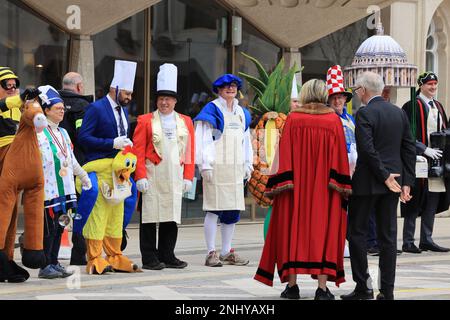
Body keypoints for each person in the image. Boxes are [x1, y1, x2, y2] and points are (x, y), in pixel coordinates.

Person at [254, 79, 351, 300]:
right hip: (324, 191)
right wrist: (343, 187)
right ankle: (322, 290)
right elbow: (340, 159)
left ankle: (292, 287)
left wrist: (281, 184)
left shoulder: (294, 119)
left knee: (292, 231)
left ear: (306, 94)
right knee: (324, 232)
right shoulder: (332, 120)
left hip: (295, 188)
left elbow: (284, 153)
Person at [341, 72, 415, 301]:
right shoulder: (398, 112)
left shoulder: (364, 113)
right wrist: (406, 183)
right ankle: (387, 290)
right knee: (388, 238)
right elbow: (409, 148)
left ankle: (364, 287)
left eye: (356, 91)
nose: (357, 95)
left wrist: (384, 176)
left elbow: (367, 150)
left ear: (363, 90)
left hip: (368, 183)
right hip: (392, 185)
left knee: (356, 234)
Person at [77, 60, 139, 274]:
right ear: (116, 88)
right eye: (127, 93)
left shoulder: (122, 110)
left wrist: (126, 145)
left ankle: (114, 255)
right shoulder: (96, 107)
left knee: (115, 216)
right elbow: (83, 137)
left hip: (118, 172)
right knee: (98, 215)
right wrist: (111, 143)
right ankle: (94, 258)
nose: (130, 97)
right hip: (100, 168)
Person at [133, 63, 194, 270]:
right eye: (161, 99)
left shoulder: (186, 121)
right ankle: (149, 258)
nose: (164, 102)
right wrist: (139, 176)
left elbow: (189, 151)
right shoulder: (144, 120)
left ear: (175, 101)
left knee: (171, 216)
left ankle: (167, 255)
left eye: (168, 99)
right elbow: (138, 151)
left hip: (175, 174)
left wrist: (188, 176)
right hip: (152, 174)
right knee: (149, 218)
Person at [194, 74, 253, 267]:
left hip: (235, 169)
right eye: (226, 86)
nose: (230, 89)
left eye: (234, 86)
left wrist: (247, 163)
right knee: (213, 209)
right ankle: (211, 252)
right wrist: (205, 165)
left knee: (232, 211)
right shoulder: (212, 109)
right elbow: (202, 138)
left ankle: (227, 251)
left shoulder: (241, 113)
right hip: (216, 168)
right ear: (218, 90)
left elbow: (246, 141)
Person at [36, 85, 92, 279]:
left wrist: (83, 175)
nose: (62, 110)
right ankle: (45, 265)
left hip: (65, 191)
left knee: (60, 226)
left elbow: (72, 160)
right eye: (57, 107)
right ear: (46, 111)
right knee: (49, 228)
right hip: (48, 191)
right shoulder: (38, 134)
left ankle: (54, 261)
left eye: (62, 107)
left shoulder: (64, 133)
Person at [401, 71, 450, 253]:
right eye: (430, 84)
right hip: (419, 159)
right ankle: (407, 240)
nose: (433, 87)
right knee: (414, 198)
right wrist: (423, 149)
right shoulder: (411, 106)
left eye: (435, 84)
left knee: (432, 198)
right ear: (421, 85)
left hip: (436, 160)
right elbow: (406, 135)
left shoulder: (438, 105)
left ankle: (426, 239)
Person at [58, 72, 94, 266]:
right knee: (80, 210)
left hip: (55, 169)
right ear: (80, 87)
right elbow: (82, 134)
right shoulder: (83, 106)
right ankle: (78, 254)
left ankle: (49, 254)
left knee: (57, 209)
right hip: (78, 165)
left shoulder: (52, 103)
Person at [326, 65, 355, 259]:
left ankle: (343, 241)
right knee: (333, 208)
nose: (338, 100)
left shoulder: (351, 118)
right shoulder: (327, 118)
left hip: (352, 171)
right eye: (334, 97)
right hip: (334, 171)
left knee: (347, 209)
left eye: (341, 96)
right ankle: (334, 243)